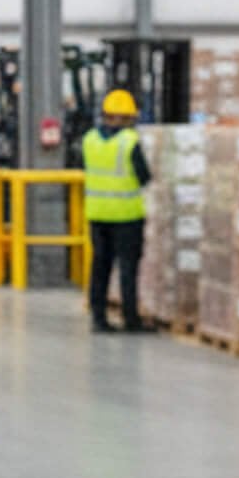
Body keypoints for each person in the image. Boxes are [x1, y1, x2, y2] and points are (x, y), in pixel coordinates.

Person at [83, 87, 152, 334]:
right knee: (127, 268)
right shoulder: (129, 142)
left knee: (100, 266)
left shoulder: (89, 140)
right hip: (126, 215)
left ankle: (98, 317)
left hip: (97, 213)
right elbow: (144, 176)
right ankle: (131, 319)